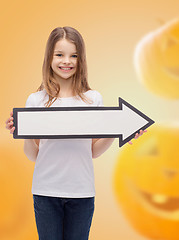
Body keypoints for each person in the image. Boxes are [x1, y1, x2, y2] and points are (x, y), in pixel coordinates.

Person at [5, 26, 146, 240]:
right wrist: (22, 132)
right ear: (49, 58)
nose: (67, 61)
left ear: (81, 60)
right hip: (45, 192)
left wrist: (117, 131)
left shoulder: (93, 99)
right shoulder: (36, 101)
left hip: (82, 192)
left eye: (74, 55)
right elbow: (33, 155)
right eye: (59, 55)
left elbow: (93, 151)